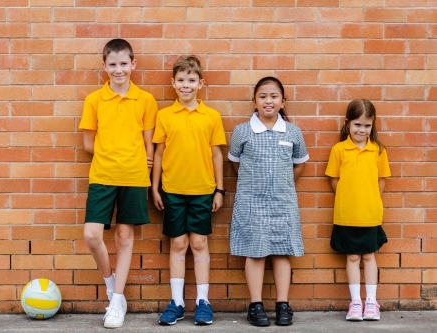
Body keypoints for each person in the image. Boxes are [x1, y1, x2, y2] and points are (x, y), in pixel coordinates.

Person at [78, 38, 158, 329]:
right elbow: (89, 143)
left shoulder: (146, 100)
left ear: (133, 64)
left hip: (135, 177)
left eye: (124, 63)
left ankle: (117, 302)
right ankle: (112, 288)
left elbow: (150, 142)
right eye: (112, 64)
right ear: (104, 66)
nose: (118, 69)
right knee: (91, 235)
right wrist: (114, 154)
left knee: (125, 238)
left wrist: (146, 164)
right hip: (102, 176)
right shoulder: (94, 100)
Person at [151, 55, 226, 326]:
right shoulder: (164, 116)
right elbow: (158, 154)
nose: (186, 85)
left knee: (199, 243)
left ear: (201, 83)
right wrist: (155, 188)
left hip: (203, 190)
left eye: (191, 80)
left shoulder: (212, 117)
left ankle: (203, 302)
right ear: (173, 83)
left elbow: (217, 155)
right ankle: (177, 302)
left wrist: (220, 190)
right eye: (181, 80)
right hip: (172, 190)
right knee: (178, 244)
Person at [228, 76, 309, 327]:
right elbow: (235, 162)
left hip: (283, 203)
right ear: (254, 100)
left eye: (274, 96)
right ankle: (256, 304)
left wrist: (282, 185)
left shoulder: (293, 132)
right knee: (255, 252)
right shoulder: (243, 130)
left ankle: (282, 304)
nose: (268, 101)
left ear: (283, 101)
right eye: (262, 96)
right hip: (252, 202)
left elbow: (298, 164)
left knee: (282, 251)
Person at [325, 99, 391, 322]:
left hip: (370, 213)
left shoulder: (378, 150)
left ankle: (371, 302)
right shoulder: (339, 149)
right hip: (347, 214)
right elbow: (334, 180)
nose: (362, 130)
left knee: (369, 256)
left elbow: (381, 181)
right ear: (347, 124)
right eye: (357, 125)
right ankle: (355, 302)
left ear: (373, 126)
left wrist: (369, 200)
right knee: (352, 256)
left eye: (367, 125)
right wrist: (348, 198)